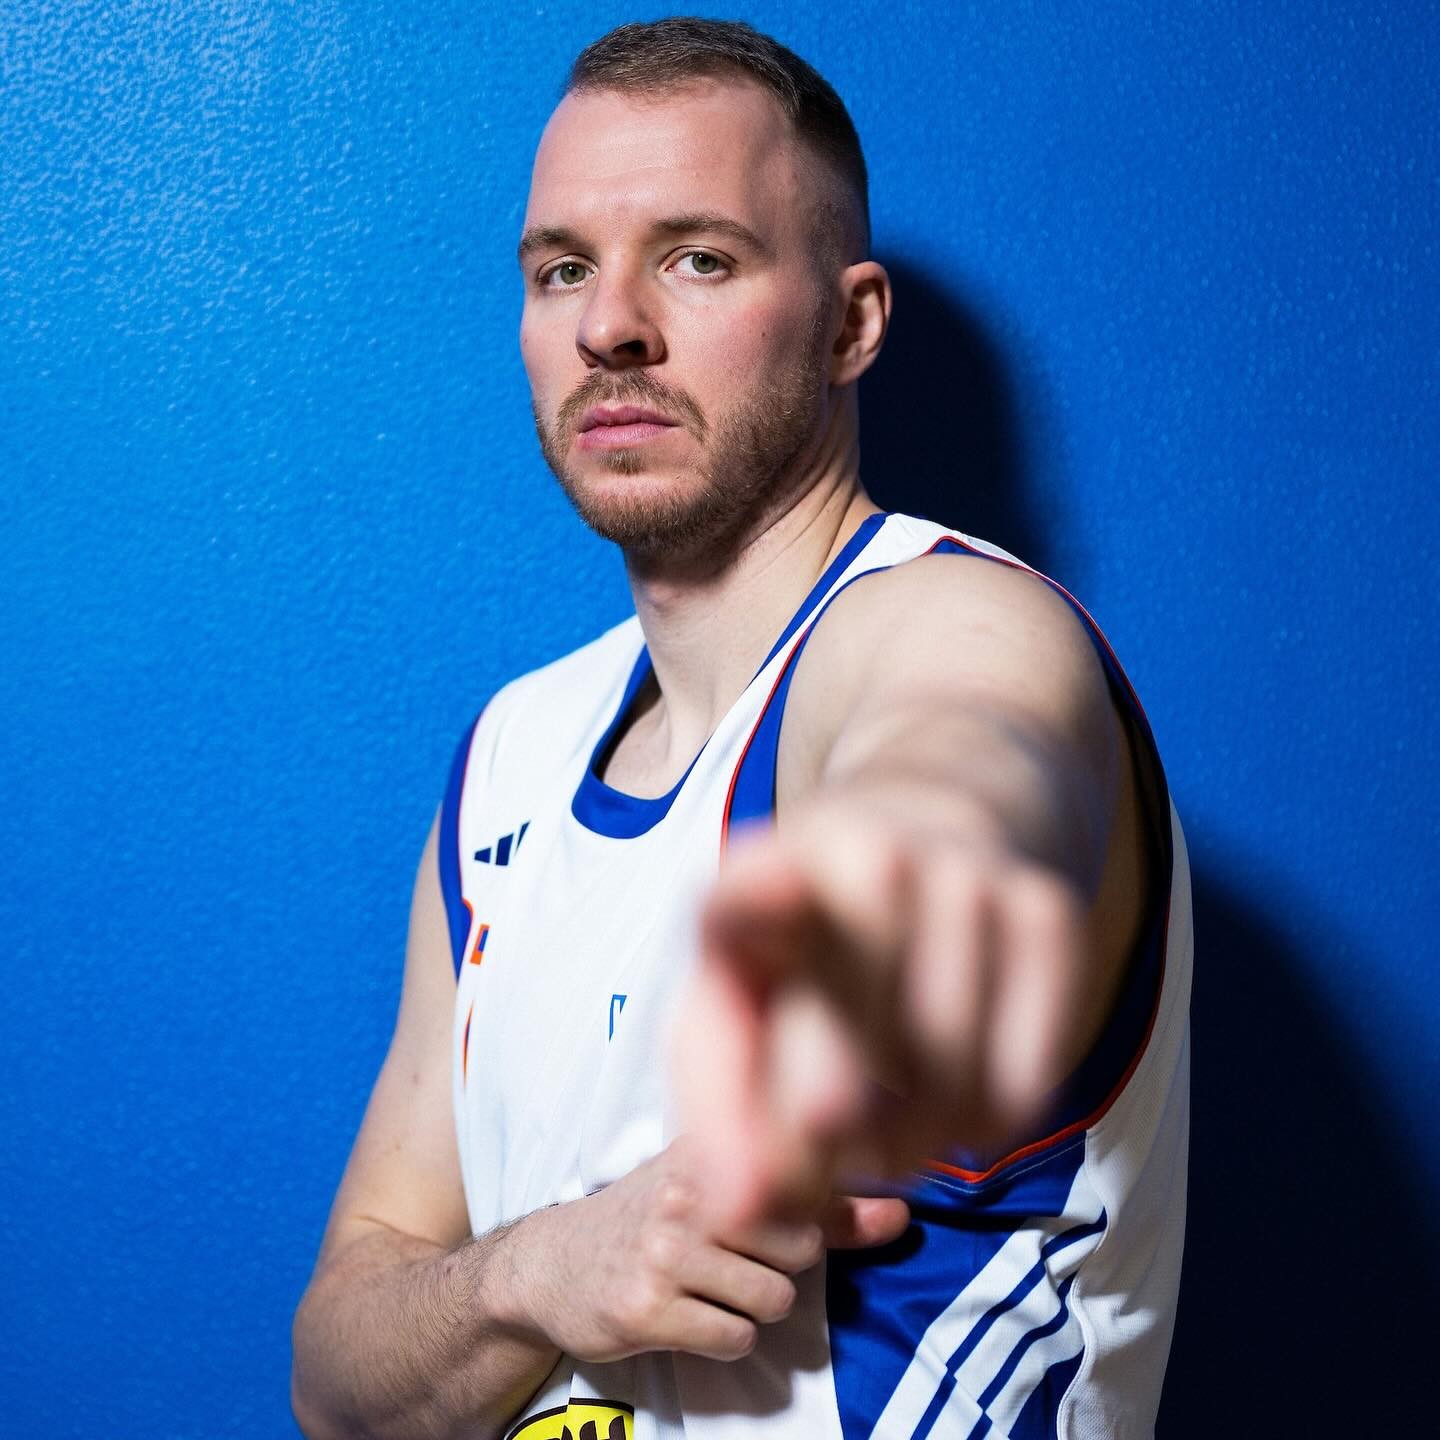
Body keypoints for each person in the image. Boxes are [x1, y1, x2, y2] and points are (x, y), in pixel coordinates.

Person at [292, 17, 1191, 1440]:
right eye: (563, 269)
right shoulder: (514, 754)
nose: (609, 325)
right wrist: (539, 1273)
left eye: (697, 258)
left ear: (851, 324)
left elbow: (964, 753)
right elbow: (338, 1381)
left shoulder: (959, 624)